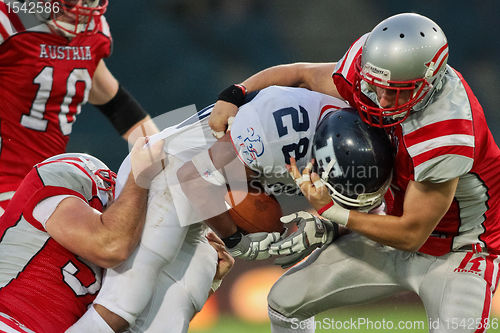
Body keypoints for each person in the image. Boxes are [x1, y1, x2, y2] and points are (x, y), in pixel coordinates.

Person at [209, 12, 500, 333]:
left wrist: (332, 213)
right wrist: (235, 93)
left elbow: (412, 233)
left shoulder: (447, 130)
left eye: (399, 91)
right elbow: (300, 74)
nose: (384, 99)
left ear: (430, 81)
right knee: (285, 301)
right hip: (389, 229)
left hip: (458, 250)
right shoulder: (368, 75)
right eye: (379, 86)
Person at [68, 85, 392, 332]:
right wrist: (236, 238)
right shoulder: (277, 128)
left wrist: (329, 227)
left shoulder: (368, 152)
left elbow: (362, 218)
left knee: (173, 311)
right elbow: (193, 176)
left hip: (206, 197)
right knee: (124, 305)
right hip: (167, 170)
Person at [0, 0, 157, 215]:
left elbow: (119, 107)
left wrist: (166, 155)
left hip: (47, 186)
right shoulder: (8, 20)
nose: (79, 8)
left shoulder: (93, 34)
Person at [0, 136, 162, 333]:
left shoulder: (129, 244)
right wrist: (139, 176)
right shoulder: (64, 179)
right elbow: (110, 246)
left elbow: (118, 317)